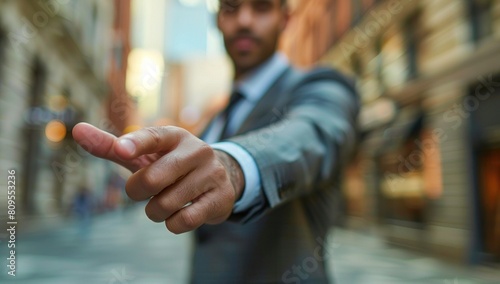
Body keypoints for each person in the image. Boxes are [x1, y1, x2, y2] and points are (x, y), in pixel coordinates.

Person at [72, 0, 359, 283]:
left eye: (261, 7)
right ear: (218, 20)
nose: (244, 21)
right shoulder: (215, 122)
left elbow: (309, 136)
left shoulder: (321, 87)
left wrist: (232, 167)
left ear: (285, 19)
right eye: (231, 8)